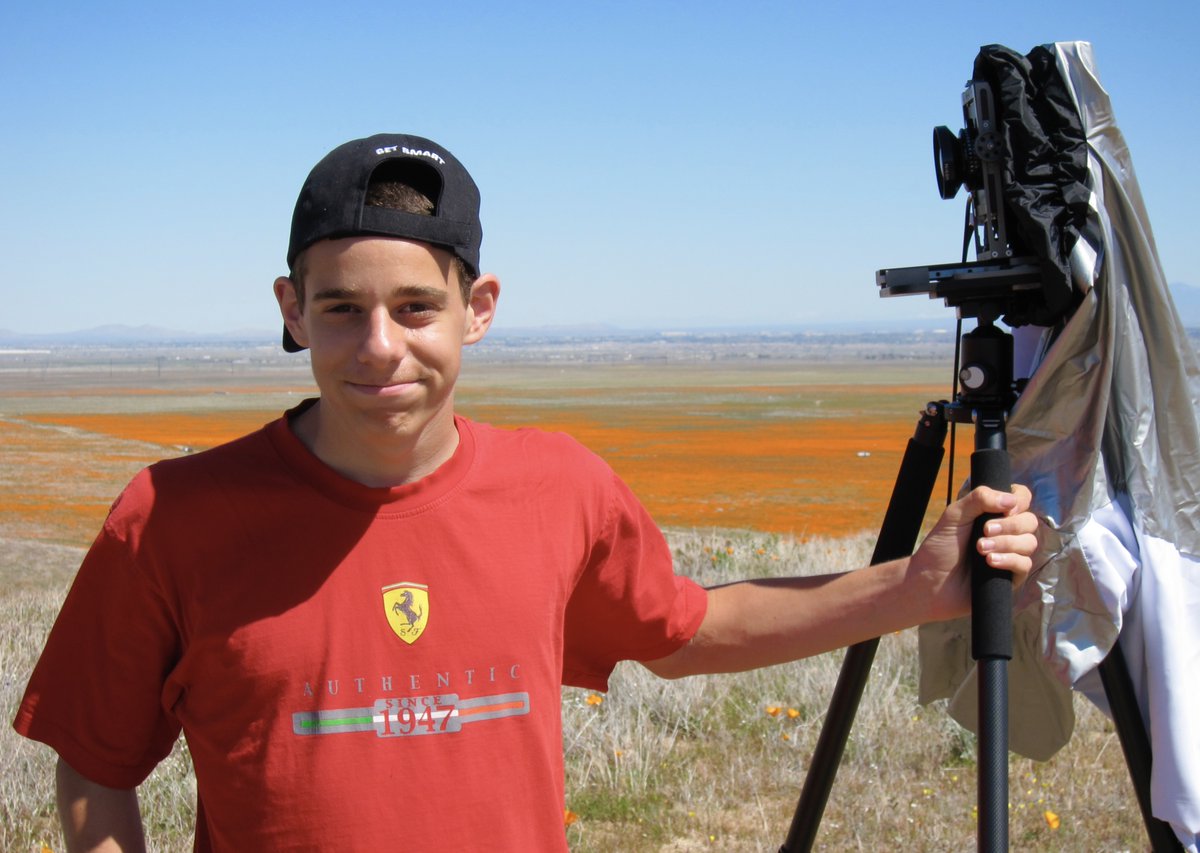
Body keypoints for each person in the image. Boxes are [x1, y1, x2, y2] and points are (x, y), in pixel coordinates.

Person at [13, 133, 1039, 852]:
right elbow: (97, 767)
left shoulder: (557, 489)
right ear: (291, 309)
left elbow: (691, 630)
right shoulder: (173, 518)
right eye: (340, 308)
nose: (380, 348)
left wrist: (914, 586)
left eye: (417, 306)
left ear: (480, 307)